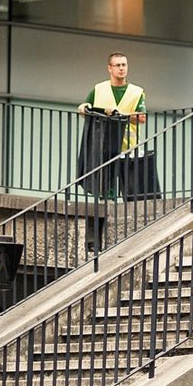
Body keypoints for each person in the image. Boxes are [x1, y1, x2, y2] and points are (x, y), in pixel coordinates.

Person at [75, 52, 148, 252]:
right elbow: (86, 108)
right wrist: (84, 108)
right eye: (117, 65)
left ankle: (130, 236)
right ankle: (99, 239)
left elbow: (142, 118)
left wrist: (120, 115)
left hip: (128, 147)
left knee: (130, 191)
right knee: (105, 192)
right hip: (104, 147)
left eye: (124, 64)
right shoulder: (99, 89)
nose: (121, 68)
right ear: (110, 68)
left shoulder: (136, 91)